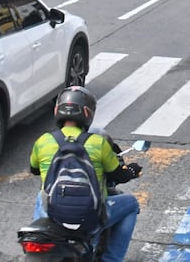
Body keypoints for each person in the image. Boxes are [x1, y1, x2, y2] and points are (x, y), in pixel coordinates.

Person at [29, 86, 141, 262]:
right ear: (87, 113)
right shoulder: (98, 142)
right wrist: (132, 170)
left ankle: (41, 233)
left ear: (58, 110)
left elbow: (34, 169)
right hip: (90, 215)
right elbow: (119, 175)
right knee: (132, 204)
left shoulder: (43, 141)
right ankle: (111, 259)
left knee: (41, 194)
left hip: (53, 213)